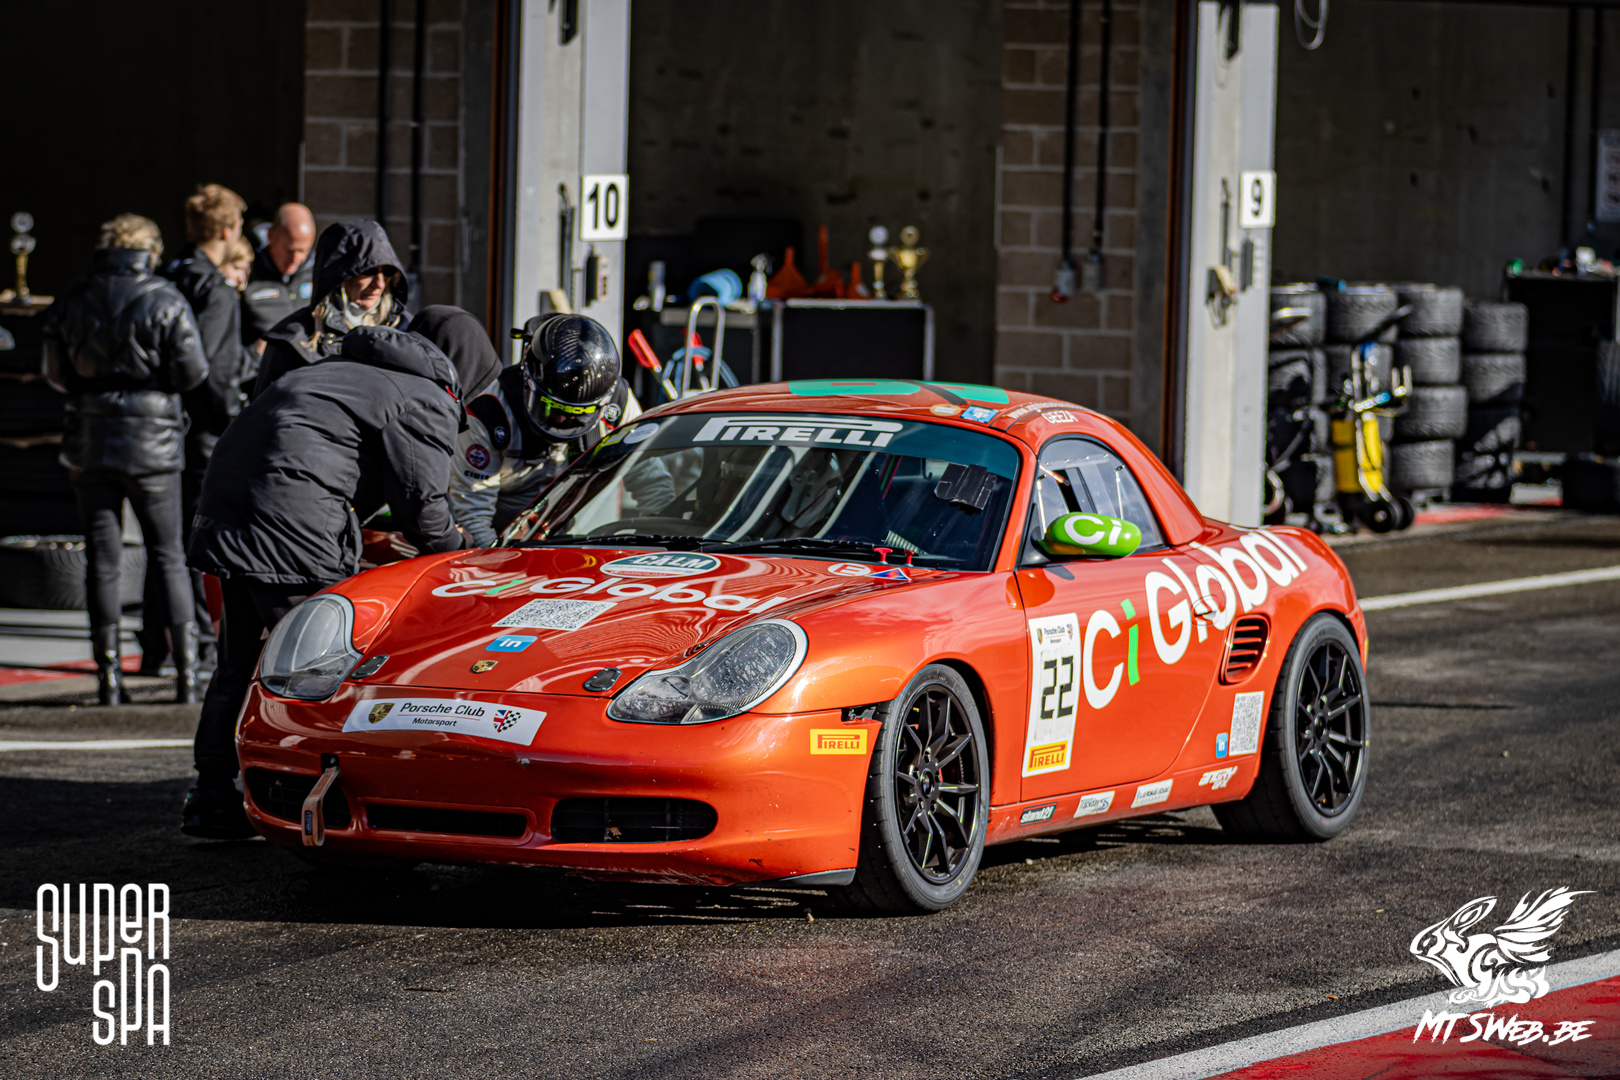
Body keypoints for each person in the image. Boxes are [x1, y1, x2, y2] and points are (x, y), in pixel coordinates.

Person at [183, 325, 469, 837]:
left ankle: (211, 798)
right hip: (291, 519)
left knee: (236, 664)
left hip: (227, 507)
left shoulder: (335, 371)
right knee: (326, 668)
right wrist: (466, 550)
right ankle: (323, 811)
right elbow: (424, 511)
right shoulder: (426, 397)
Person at [41, 214, 209, 705]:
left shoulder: (73, 297)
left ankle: (108, 676)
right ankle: (187, 675)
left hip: (90, 435)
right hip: (152, 438)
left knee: (103, 558)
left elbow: (54, 371)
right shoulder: (166, 298)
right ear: (149, 251)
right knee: (168, 554)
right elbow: (192, 372)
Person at [141, 184, 256, 676]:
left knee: (163, 545)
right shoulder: (215, 288)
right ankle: (201, 648)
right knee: (197, 544)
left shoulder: (168, 275)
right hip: (204, 431)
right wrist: (235, 420)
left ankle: (155, 646)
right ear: (228, 230)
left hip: (163, 426)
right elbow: (215, 370)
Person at [446, 313, 670, 547]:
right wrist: (498, 561)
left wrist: (659, 545)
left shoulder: (618, 405)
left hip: (589, 540)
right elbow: (473, 516)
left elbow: (652, 483)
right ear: (528, 382)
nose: (565, 420)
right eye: (554, 409)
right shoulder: (491, 410)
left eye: (579, 414)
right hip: (505, 540)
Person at [253, 219, 409, 397]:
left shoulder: (406, 330)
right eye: (369, 271)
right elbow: (265, 409)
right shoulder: (292, 341)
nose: (379, 284)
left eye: (387, 271)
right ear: (340, 274)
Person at [240, 202, 315, 348]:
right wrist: (254, 353)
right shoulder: (245, 272)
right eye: (289, 250)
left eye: (303, 251)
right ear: (271, 236)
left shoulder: (316, 273)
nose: (295, 259)